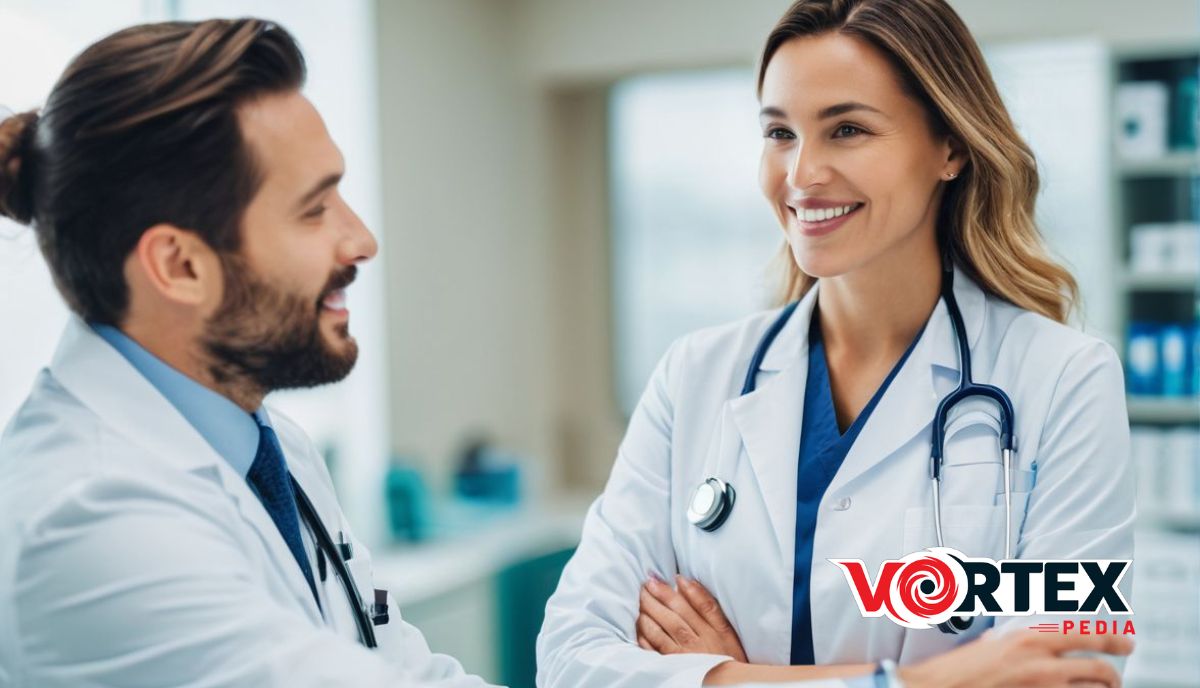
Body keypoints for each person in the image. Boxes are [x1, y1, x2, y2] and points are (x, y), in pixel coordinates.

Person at [536, 0, 1135, 686]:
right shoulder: (696, 376)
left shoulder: (1064, 380)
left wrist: (728, 675)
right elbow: (570, 660)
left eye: (846, 129)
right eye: (780, 133)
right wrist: (923, 680)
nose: (801, 173)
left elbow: (1071, 671)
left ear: (950, 146)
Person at [0, 19, 496, 687]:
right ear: (179, 266)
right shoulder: (88, 524)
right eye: (315, 209)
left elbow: (409, 671)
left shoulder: (271, 448)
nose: (362, 240)